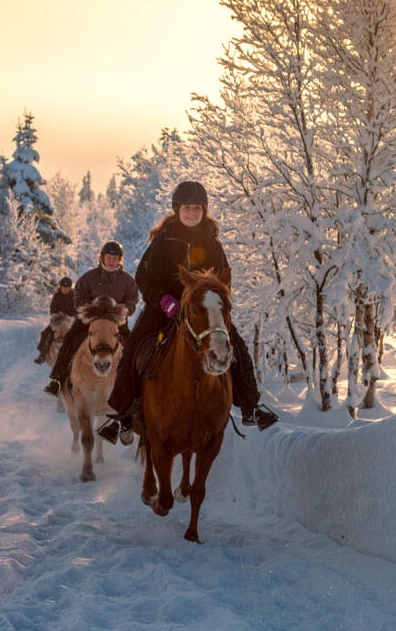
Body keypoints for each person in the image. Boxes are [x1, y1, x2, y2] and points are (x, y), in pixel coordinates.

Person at [100, 180, 278, 444]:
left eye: (197, 208)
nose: (192, 213)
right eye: (187, 208)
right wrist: (164, 300)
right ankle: (123, 415)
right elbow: (144, 278)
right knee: (135, 346)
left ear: (204, 210)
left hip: (203, 310)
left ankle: (251, 407)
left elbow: (223, 280)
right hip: (166, 308)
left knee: (236, 345)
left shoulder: (212, 243)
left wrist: (214, 300)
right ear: (177, 209)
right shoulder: (162, 241)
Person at [43, 241, 139, 397]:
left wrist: (120, 311)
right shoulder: (89, 277)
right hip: (88, 321)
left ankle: (134, 383)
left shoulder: (127, 280)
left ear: (120, 260)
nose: (111, 261)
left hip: (117, 322)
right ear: (102, 258)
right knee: (70, 341)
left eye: (115, 259)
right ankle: (58, 379)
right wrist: (91, 309)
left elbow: (132, 300)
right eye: (108, 258)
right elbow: (78, 296)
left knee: (131, 347)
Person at [34, 277, 76, 364]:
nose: (65, 289)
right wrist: (57, 318)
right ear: (60, 287)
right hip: (57, 321)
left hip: (70, 320)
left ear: (70, 288)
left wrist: (70, 317)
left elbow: (76, 309)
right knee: (45, 334)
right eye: (63, 287)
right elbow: (53, 309)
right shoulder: (56, 296)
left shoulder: (74, 296)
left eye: (67, 287)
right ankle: (43, 354)